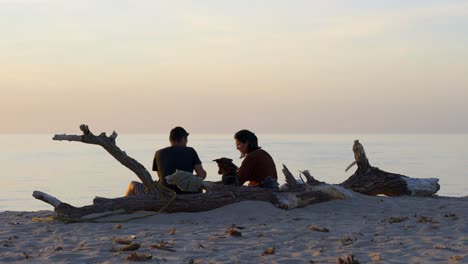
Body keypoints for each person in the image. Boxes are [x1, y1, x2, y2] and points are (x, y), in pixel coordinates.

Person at [125, 126, 207, 196]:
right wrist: (190, 178)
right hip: (187, 194)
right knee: (199, 185)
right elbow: (201, 175)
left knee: (133, 185)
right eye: (186, 140)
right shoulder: (191, 151)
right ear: (183, 139)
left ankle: (124, 206)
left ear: (170, 139)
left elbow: (161, 177)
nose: (186, 143)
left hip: (164, 195)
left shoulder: (158, 153)